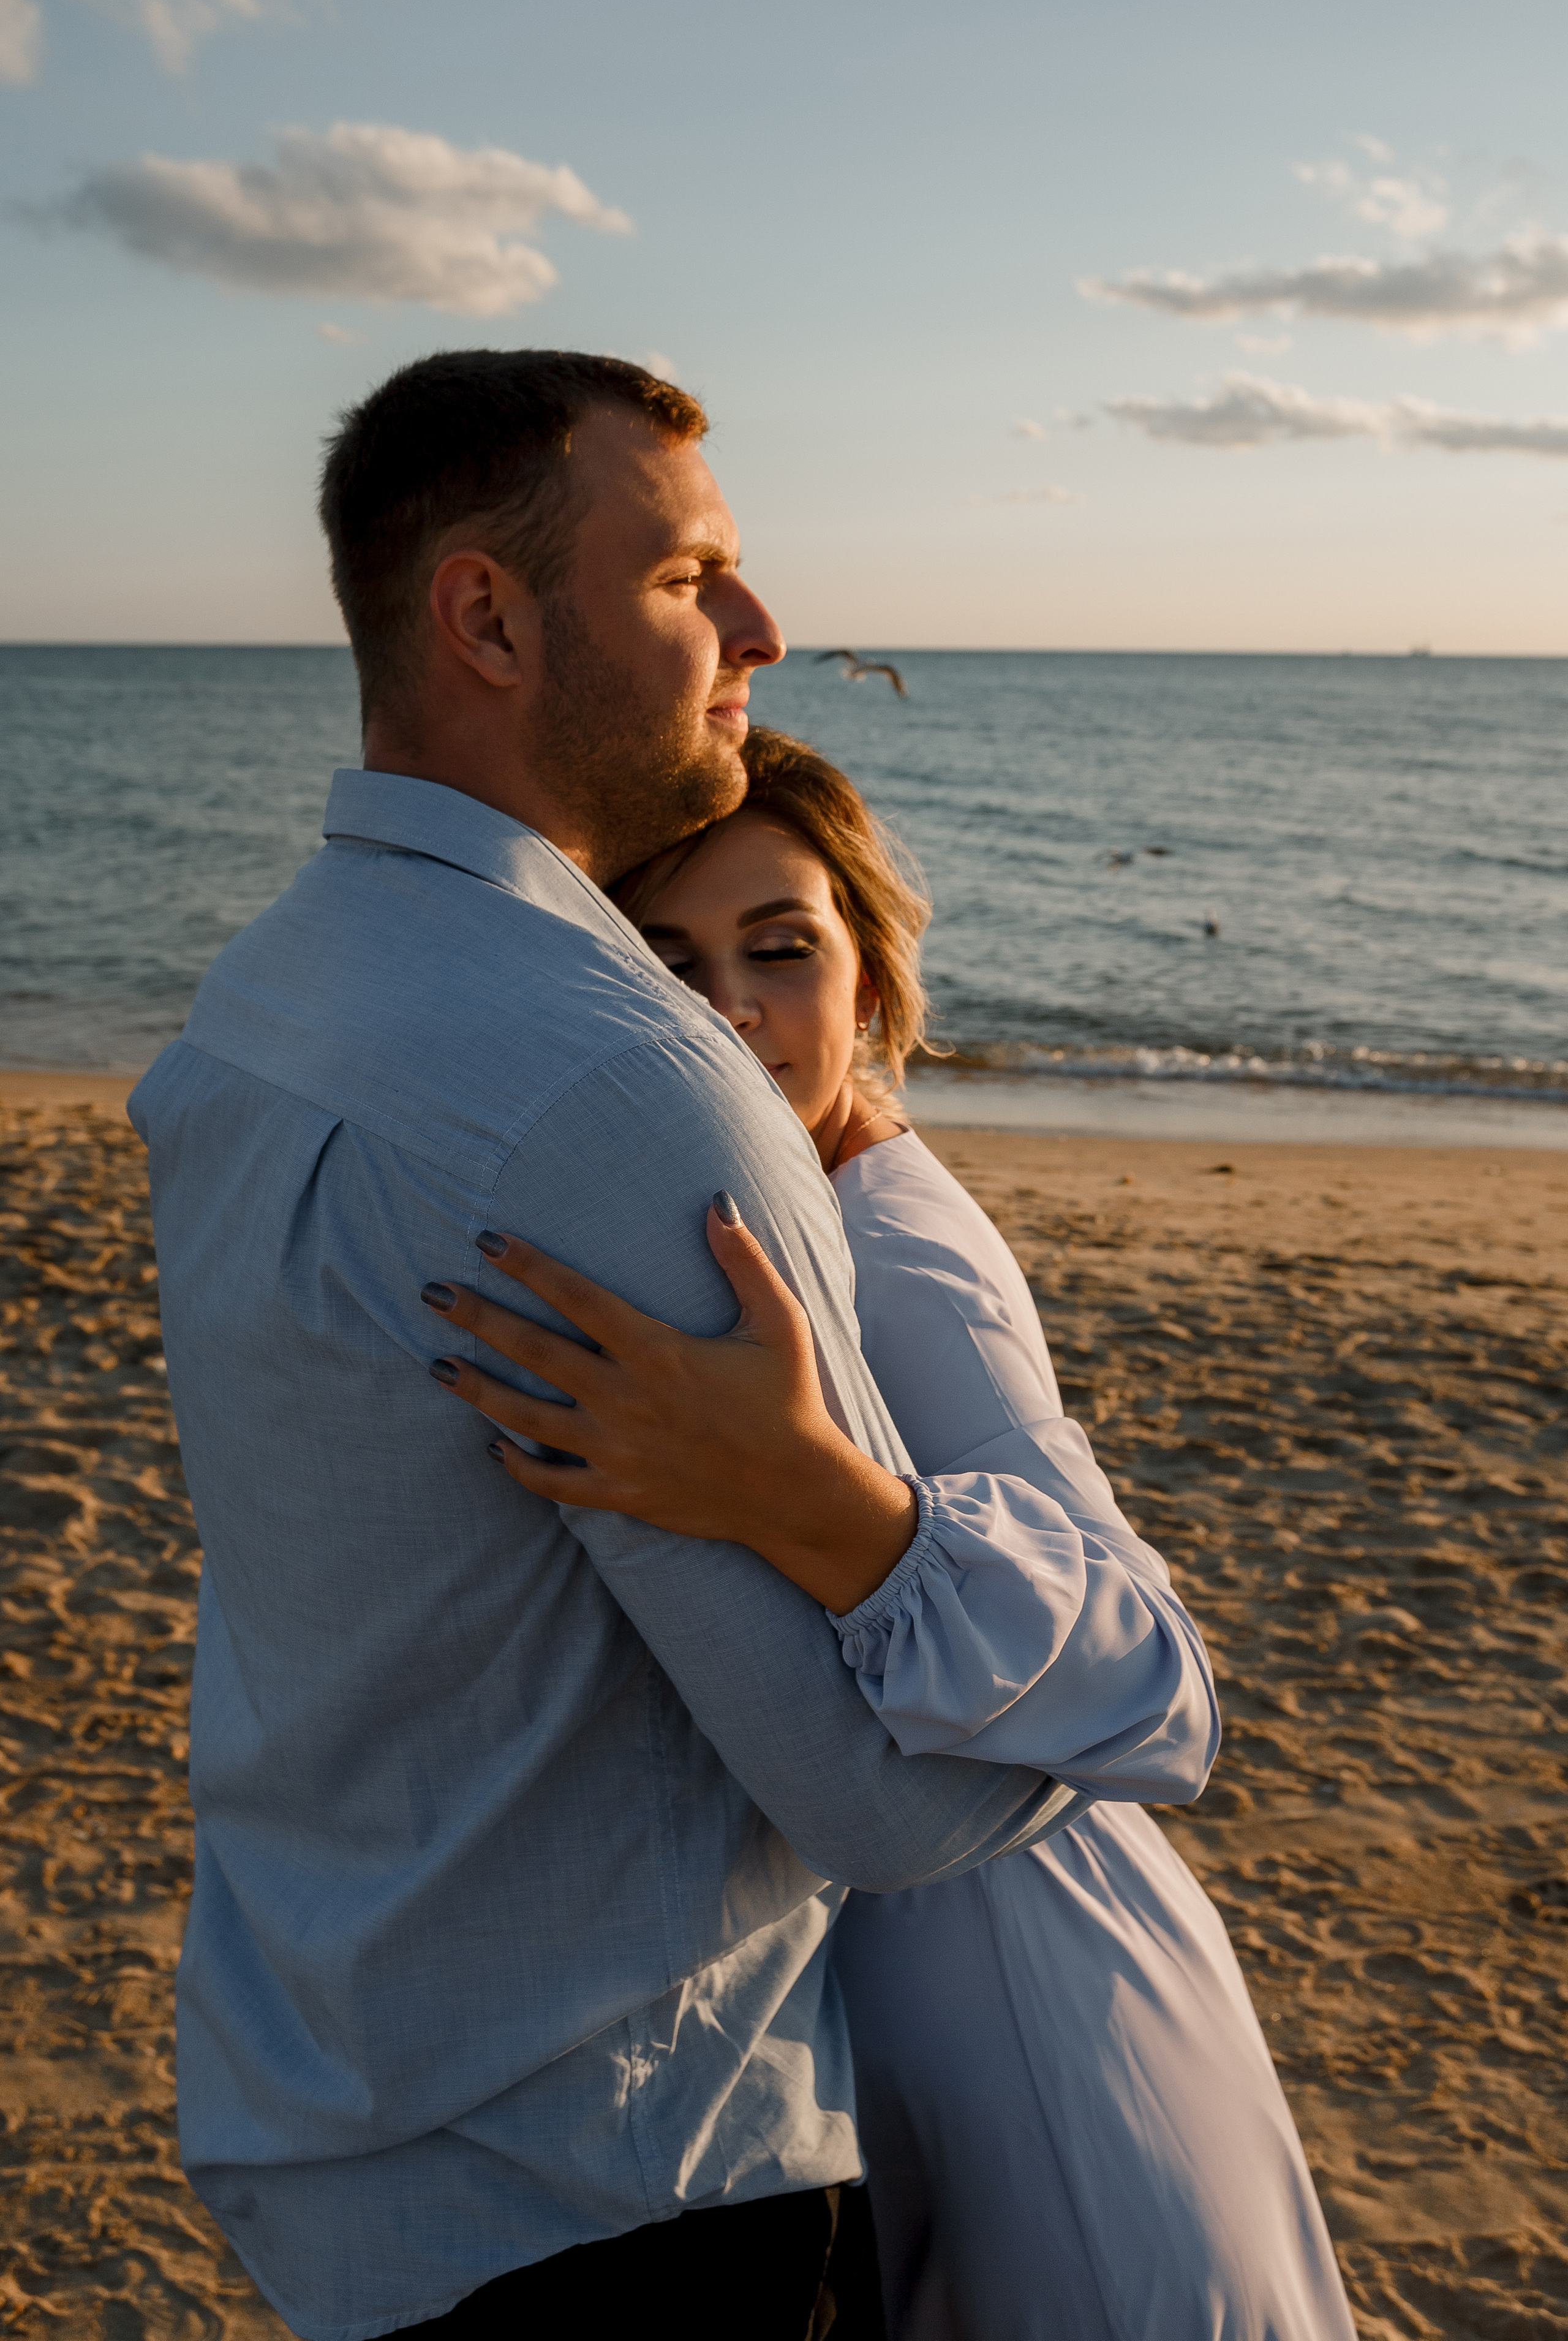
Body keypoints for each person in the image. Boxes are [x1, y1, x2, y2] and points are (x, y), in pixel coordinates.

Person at [129, 352, 1218, 2341]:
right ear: (486, 617)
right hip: (615, 2183)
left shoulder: (266, 994)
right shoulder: (619, 1093)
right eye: (689, 577)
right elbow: (895, 1816)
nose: (762, 627)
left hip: (338, 2113)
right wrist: (1072, 1713)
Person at [437, 727, 1357, 2341]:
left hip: (1035, 2005)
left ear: (867, 984)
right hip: (898, 1984)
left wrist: (797, 1489)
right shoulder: (780, 1208)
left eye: (781, 948)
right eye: (670, 962)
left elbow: (1161, 1691)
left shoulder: (895, 1251)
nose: (732, 1005)